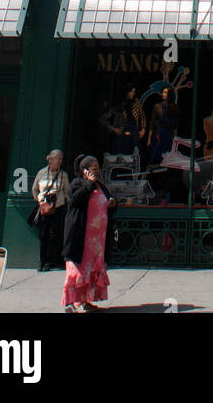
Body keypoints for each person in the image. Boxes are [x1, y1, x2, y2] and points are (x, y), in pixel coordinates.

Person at [61, 156, 116, 314]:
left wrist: (113, 203)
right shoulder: (77, 184)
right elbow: (75, 200)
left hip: (97, 241)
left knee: (90, 271)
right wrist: (89, 183)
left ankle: (84, 301)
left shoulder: (101, 186)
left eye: (97, 168)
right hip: (81, 238)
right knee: (76, 271)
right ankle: (69, 303)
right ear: (85, 171)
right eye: (93, 169)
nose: (97, 171)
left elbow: (109, 200)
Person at [31, 149, 70, 272]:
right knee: (43, 235)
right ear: (50, 159)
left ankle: (52, 261)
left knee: (55, 235)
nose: (60, 161)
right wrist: (40, 201)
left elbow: (67, 192)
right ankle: (42, 262)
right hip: (44, 208)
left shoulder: (63, 175)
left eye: (61, 159)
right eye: (58, 158)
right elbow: (34, 189)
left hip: (58, 209)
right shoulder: (41, 173)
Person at [101, 85, 146, 156]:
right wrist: (113, 129)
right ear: (126, 92)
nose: (132, 93)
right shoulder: (119, 105)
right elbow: (103, 118)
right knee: (121, 153)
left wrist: (143, 129)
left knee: (134, 153)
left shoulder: (136, 104)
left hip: (134, 131)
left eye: (133, 92)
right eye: (131, 91)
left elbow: (142, 116)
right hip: (122, 132)